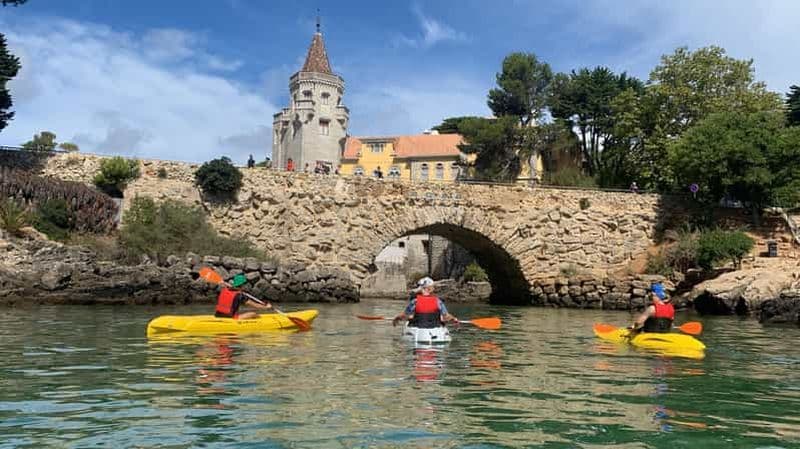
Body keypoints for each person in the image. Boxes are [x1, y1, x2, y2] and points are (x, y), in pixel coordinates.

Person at [393, 277, 458, 328]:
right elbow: (446, 316)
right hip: (434, 328)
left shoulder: (415, 301)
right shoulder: (438, 301)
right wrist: (454, 319)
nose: (434, 288)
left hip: (418, 327)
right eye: (433, 286)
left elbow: (405, 315)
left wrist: (397, 318)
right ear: (429, 288)